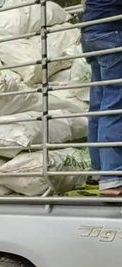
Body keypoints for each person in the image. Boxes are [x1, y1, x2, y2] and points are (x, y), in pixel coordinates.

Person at [82, 0, 122, 196]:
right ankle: (111, 177)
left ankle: (97, 172)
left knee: (99, 104)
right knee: (115, 104)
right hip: (111, 31)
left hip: (90, 32)